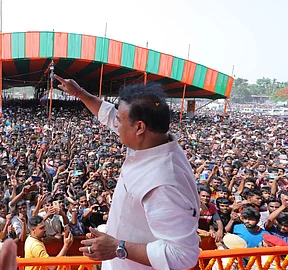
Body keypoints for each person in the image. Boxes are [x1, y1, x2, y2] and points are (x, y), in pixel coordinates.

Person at [55, 74, 200, 269]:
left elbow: (183, 255)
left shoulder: (164, 182)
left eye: (120, 120)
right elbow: (108, 114)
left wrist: (118, 247)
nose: (115, 124)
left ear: (139, 127)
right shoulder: (149, 142)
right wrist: (80, 93)